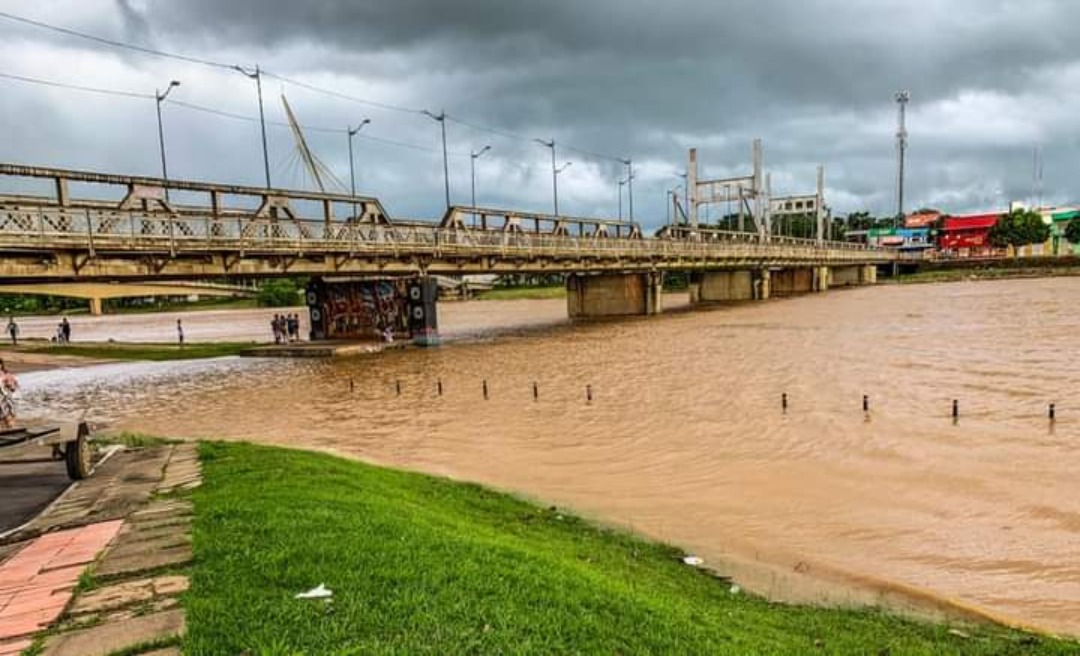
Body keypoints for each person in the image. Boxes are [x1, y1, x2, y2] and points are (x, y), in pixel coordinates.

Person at [0, 359, 18, 429]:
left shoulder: (6, 375)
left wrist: (11, 386)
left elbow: (13, 387)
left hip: (5, 399)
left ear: (1, 365)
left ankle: (12, 431)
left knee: (8, 417)